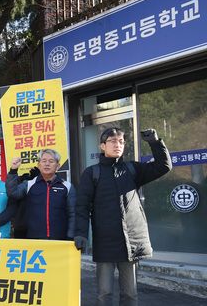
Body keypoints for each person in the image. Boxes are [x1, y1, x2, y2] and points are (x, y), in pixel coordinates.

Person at [74, 128, 172, 306]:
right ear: (102, 146)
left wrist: (155, 143)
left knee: (130, 294)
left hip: (131, 242)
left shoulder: (132, 169)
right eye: (112, 141)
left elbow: (163, 166)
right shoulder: (92, 173)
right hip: (105, 242)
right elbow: (82, 206)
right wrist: (80, 233)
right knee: (104, 294)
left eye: (120, 141)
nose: (117, 144)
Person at [6, 149, 75, 240]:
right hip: (34, 239)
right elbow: (13, 193)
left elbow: (73, 214)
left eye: (51, 161)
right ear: (39, 165)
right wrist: (13, 171)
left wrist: (71, 237)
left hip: (60, 240)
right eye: (44, 161)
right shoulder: (30, 184)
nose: (47, 164)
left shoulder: (67, 186)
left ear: (57, 166)